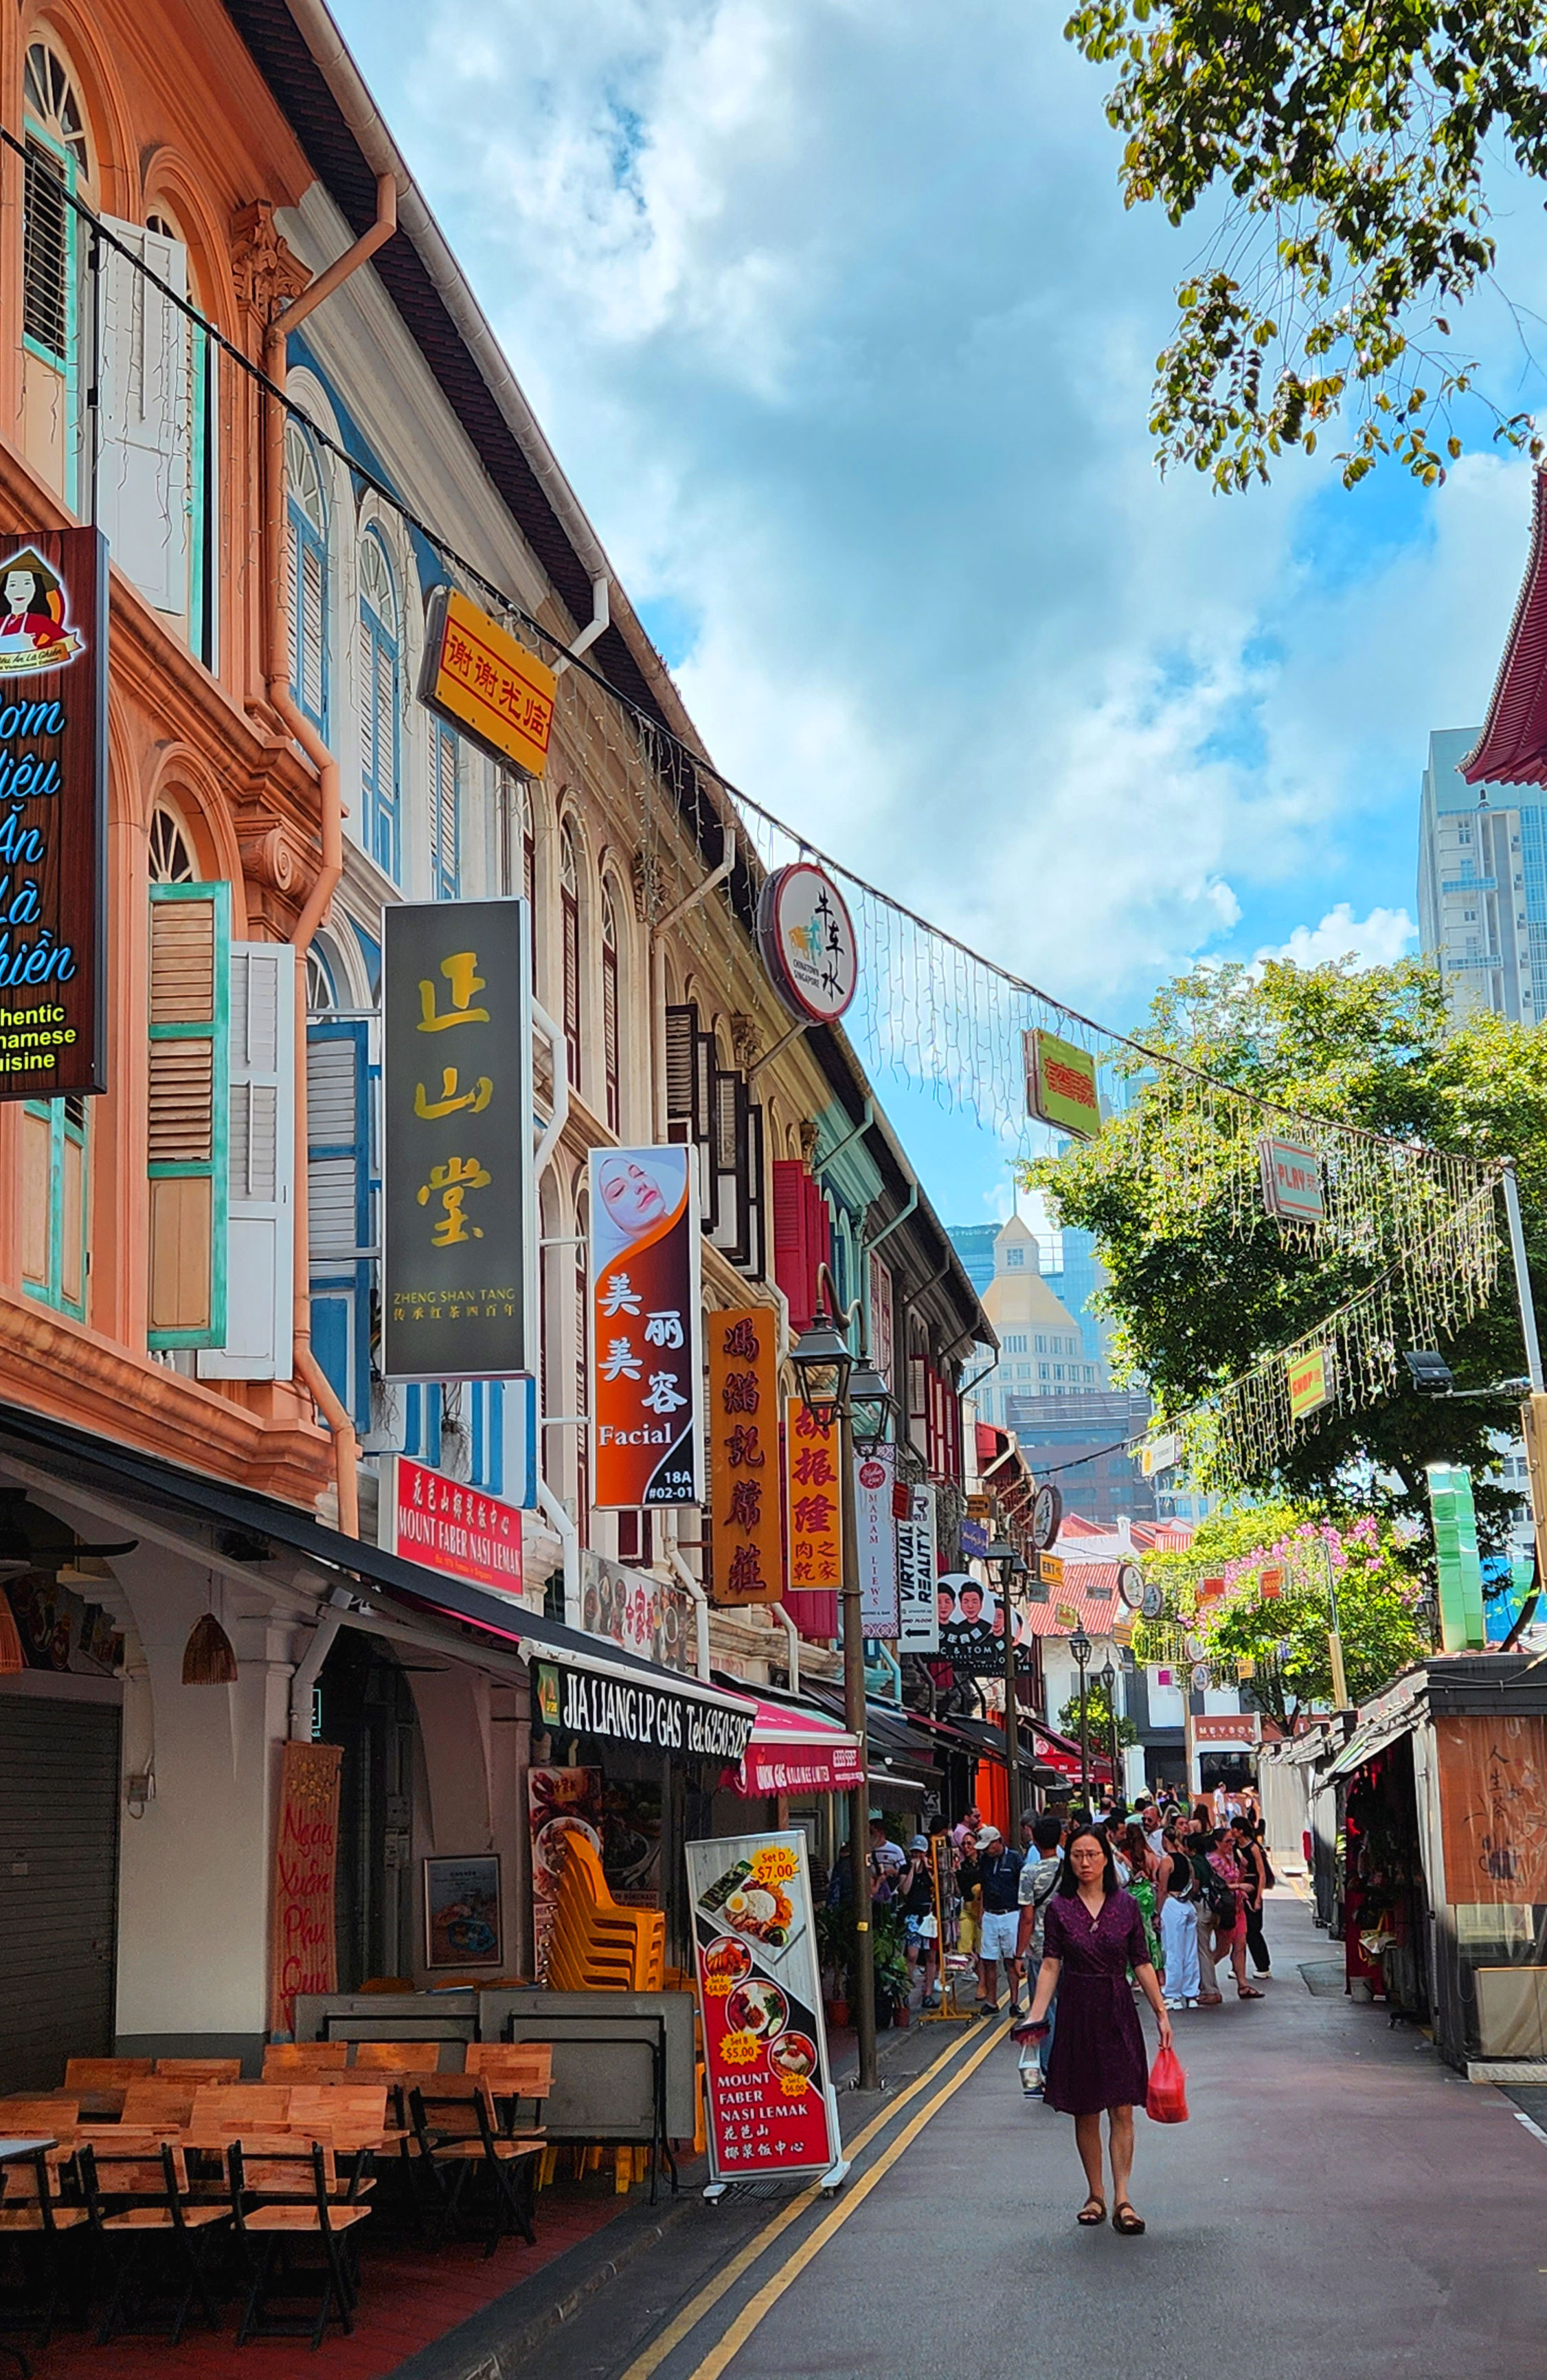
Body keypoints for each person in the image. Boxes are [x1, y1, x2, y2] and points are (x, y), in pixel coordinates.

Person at [1021, 1824, 1173, 2235]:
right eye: (1077, 1856)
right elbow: (1050, 1964)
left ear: (1106, 1858)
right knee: (1085, 2107)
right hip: (1076, 2009)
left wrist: (1161, 2011)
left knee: (1122, 2106)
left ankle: (1123, 2198)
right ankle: (1095, 2193)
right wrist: (1035, 2016)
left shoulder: (1125, 1907)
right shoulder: (1059, 1909)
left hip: (1117, 2007)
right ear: (1069, 1861)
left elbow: (1141, 1961)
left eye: (1092, 1855)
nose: (1085, 1863)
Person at [1015, 1812, 1065, 2092]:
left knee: (1043, 2009)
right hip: (1069, 1948)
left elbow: (1027, 1917)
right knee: (1068, 2006)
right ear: (1060, 1838)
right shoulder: (1070, 1868)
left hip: (1040, 1951)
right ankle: (1070, 2065)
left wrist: (1018, 1952)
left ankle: (1049, 2070)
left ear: (1033, 1839)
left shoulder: (1029, 1873)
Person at [973, 1823, 1025, 2014]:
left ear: (998, 1842)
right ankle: (992, 2001)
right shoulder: (985, 1860)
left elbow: (1024, 1887)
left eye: (989, 1846)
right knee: (988, 1959)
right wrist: (981, 1911)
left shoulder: (1015, 1860)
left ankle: (1014, 2002)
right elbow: (984, 1887)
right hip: (990, 1914)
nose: (987, 1851)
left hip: (1010, 1913)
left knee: (1011, 1960)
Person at [1206, 1826, 1261, 1999]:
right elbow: (1216, 1886)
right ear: (1217, 1843)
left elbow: (1237, 1878)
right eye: (1228, 1841)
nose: (1232, 1844)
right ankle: (1202, 1974)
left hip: (1237, 1906)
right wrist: (1239, 1886)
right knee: (1223, 1949)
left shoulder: (1232, 1857)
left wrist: (1243, 1870)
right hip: (1225, 1908)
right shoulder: (1213, 1860)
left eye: (1233, 1841)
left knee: (1240, 1945)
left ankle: (1243, 1985)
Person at [1156, 1819, 1201, 2010]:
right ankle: (1191, 1994)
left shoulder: (1167, 1861)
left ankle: (1173, 1994)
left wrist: (1158, 1913)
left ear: (1165, 1839)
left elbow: (1162, 1889)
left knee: (1173, 1950)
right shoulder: (1186, 1859)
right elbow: (1194, 1883)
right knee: (1190, 1951)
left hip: (1172, 1905)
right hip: (1187, 1904)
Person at [896, 1834, 940, 2006]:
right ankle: (905, 1991)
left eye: (920, 1853)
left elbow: (936, 1887)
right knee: (912, 1955)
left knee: (930, 1955)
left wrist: (928, 1868)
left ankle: (927, 1993)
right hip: (912, 1916)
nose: (917, 1856)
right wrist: (913, 1871)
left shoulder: (930, 1869)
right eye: (914, 1853)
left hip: (928, 1917)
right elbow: (905, 1890)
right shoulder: (905, 1869)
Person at [1233, 1817, 1273, 1979]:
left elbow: (1262, 1873)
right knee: (1240, 1930)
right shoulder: (1234, 1847)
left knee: (1253, 1929)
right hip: (1240, 1885)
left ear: (1241, 1830)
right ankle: (1237, 1965)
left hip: (1253, 1885)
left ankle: (1263, 1965)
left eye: (1234, 1828)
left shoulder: (1254, 1848)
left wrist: (1258, 1897)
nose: (1232, 1831)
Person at [1122, 1821, 1162, 1973]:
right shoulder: (1150, 1855)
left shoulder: (1125, 1854)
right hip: (1148, 1894)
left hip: (1132, 1895)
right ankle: (1156, 1968)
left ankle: (1133, 1973)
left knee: (1133, 1933)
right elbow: (1156, 1877)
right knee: (1151, 1933)